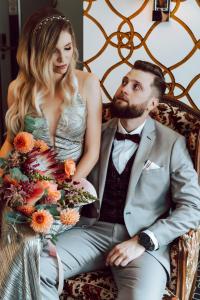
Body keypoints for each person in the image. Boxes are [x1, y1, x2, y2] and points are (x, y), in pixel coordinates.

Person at [40, 60, 200, 300]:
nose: (124, 88)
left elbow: (192, 207)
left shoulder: (172, 143)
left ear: (152, 104)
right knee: (32, 267)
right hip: (91, 231)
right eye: (125, 81)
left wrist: (144, 240)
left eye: (137, 87)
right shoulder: (95, 134)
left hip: (142, 242)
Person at [0, 6, 101, 300]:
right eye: (53, 52)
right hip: (26, 185)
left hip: (71, 188)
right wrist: (9, 180)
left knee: (30, 242)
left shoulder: (87, 84)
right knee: (14, 237)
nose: (62, 59)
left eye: (67, 48)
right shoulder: (18, 90)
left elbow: (92, 152)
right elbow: (10, 144)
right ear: (35, 53)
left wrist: (59, 190)